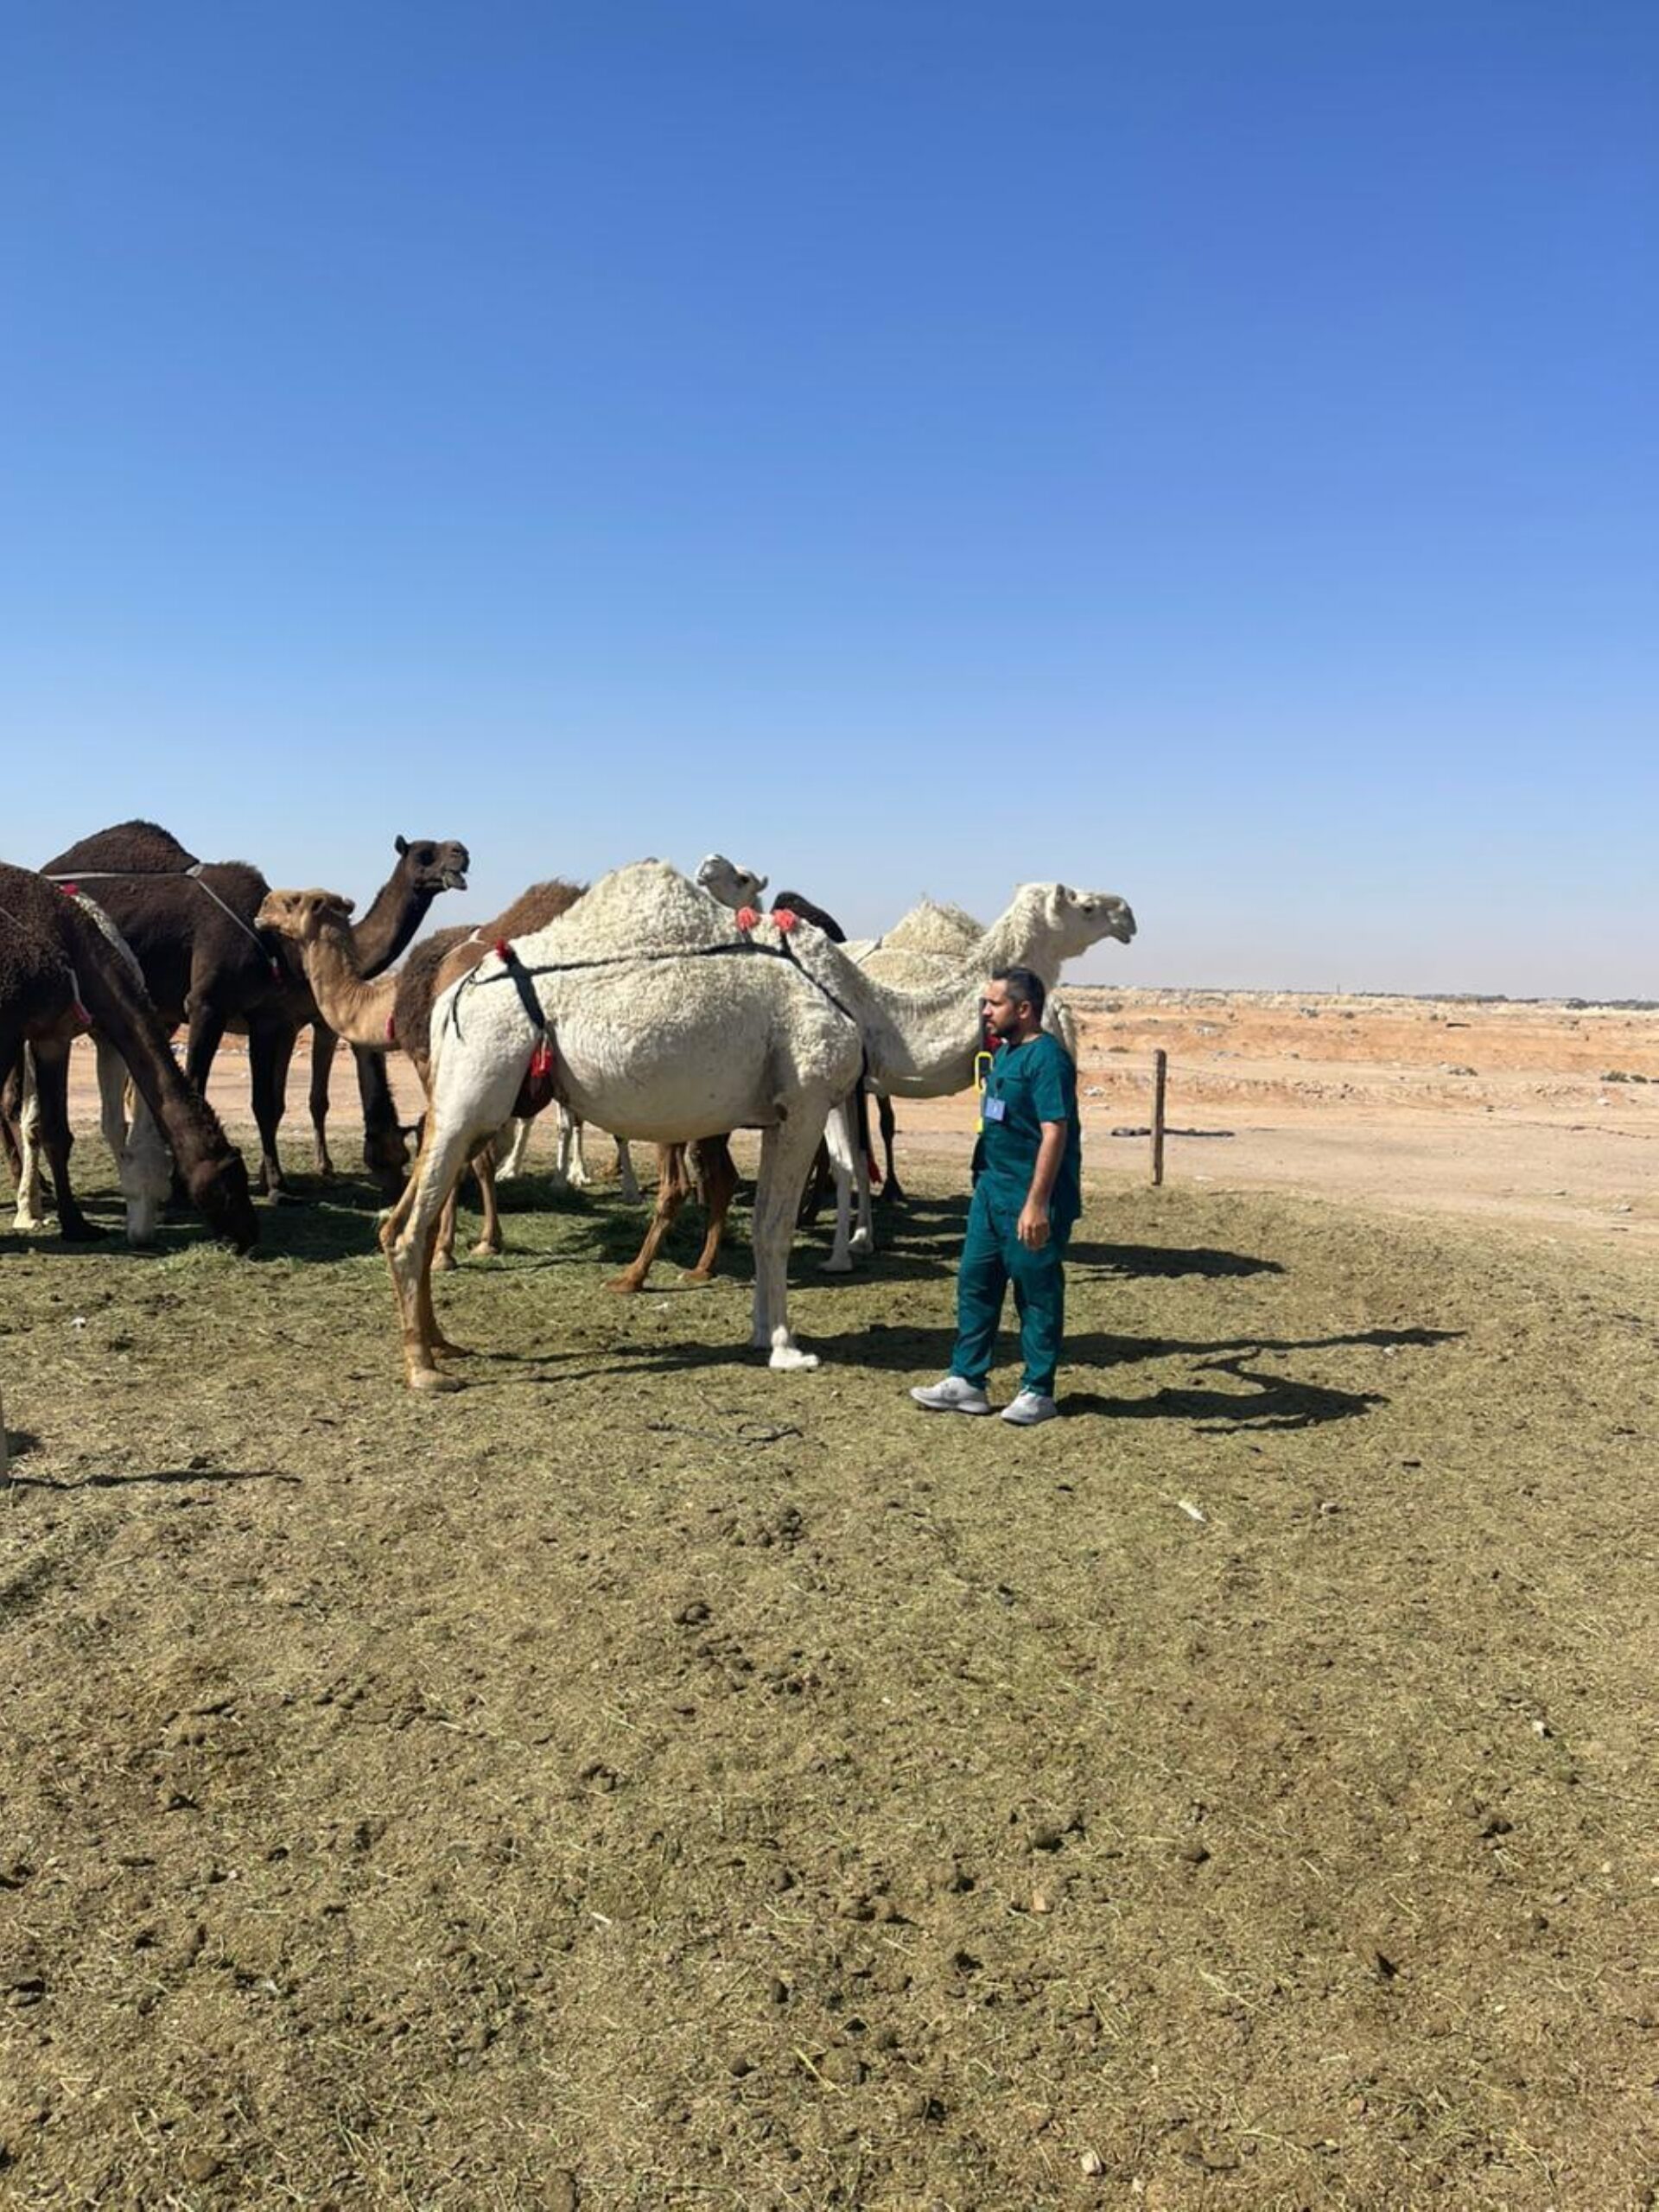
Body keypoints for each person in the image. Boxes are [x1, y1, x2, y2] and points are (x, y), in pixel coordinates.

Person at [910, 964, 1080, 1427]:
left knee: (1036, 1293)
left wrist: (1037, 1203)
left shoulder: (1047, 1060)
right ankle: (968, 1381)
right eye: (985, 1002)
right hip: (991, 1191)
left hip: (1030, 1196)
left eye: (994, 1003)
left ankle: (1038, 1391)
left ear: (1023, 1010)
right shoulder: (1003, 1054)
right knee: (976, 1283)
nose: (985, 1011)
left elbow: (1054, 1131)